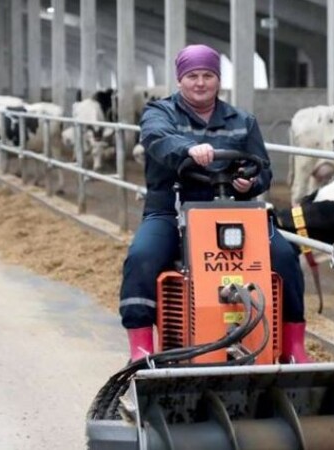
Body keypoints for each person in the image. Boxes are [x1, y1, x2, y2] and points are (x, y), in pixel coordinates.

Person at [119, 44, 310, 364]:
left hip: (231, 211)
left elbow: (261, 167)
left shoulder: (242, 121)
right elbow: (156, 139)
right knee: (142, 256)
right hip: (172, 209)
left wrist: (250, 182)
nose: (200, 82)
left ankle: (293, 346)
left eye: (208, 75)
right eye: (192, 76)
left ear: (218, 79)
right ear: (180, 79)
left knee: (284, 255)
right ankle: (141, 348)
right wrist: (188, 149)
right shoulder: (159, 113)